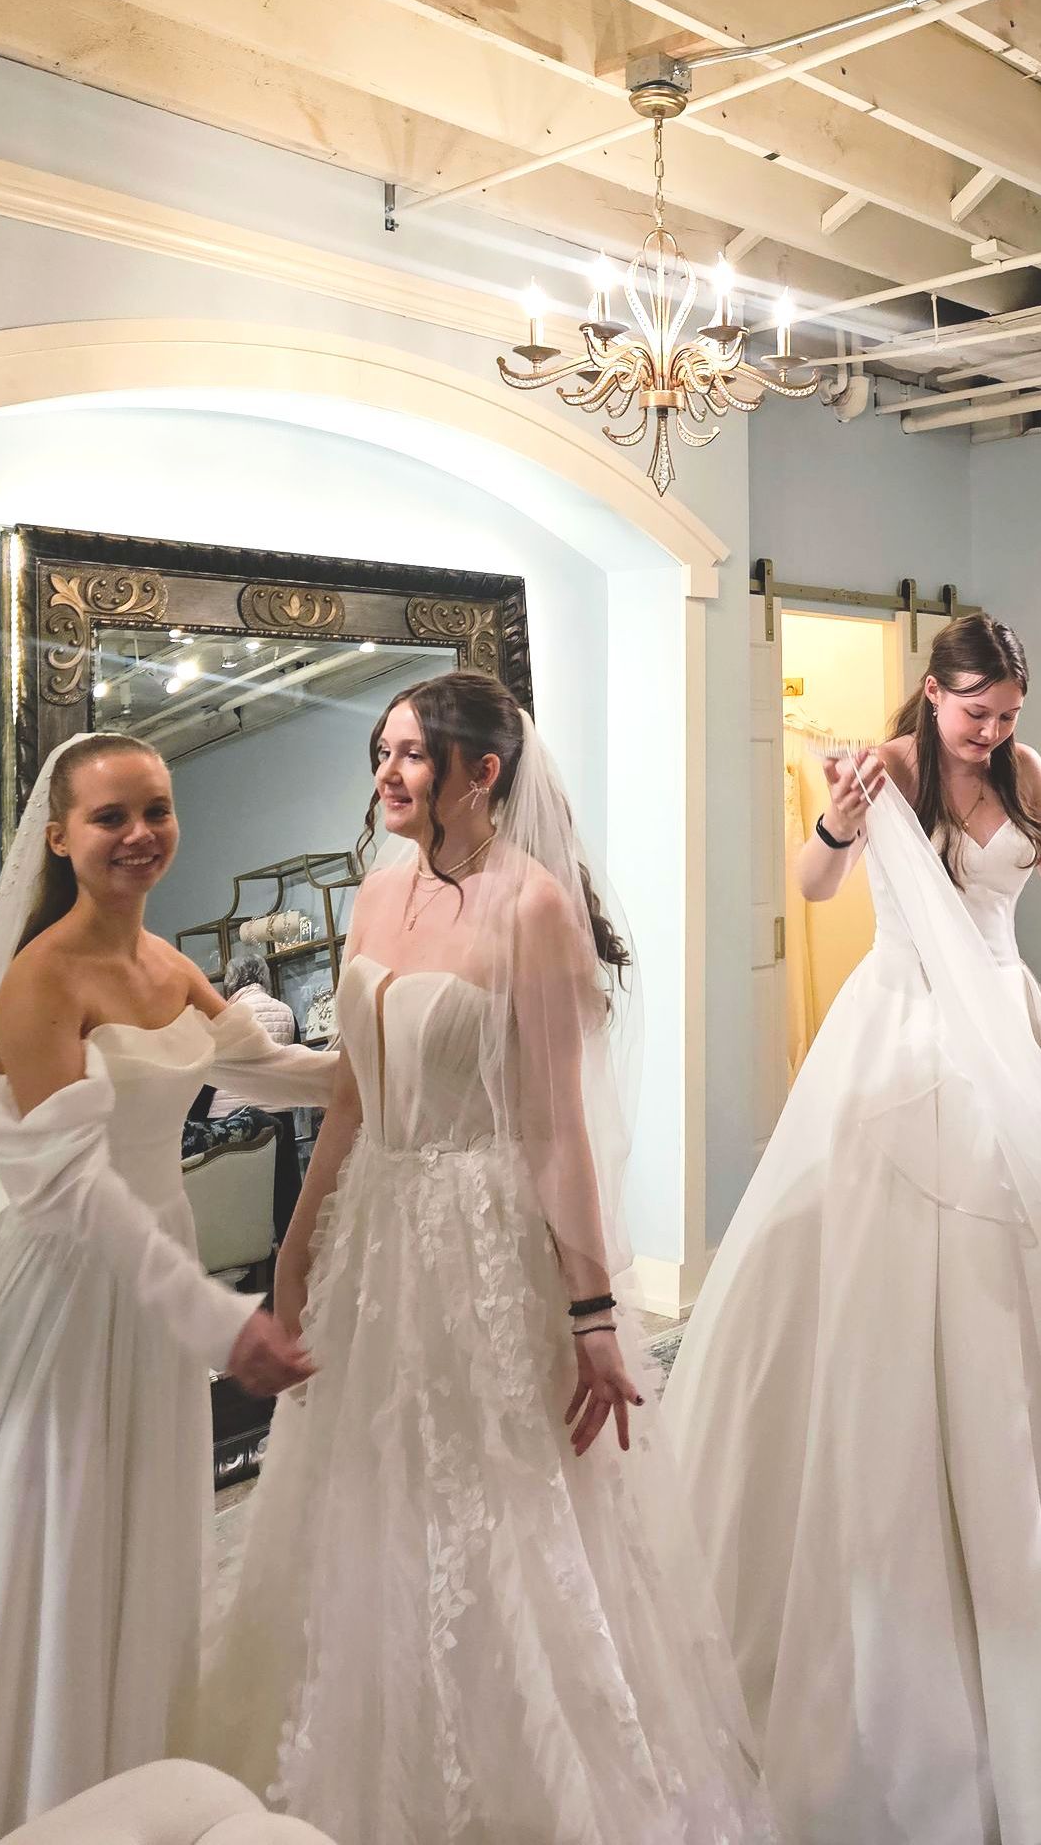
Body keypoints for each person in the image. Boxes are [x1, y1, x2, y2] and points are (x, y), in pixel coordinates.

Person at [201, 675, 771, 1845]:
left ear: (482, 772)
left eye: (411, 755)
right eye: (382, 752)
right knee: (364, 1496)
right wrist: (296, 1250)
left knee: (499, 1509)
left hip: (481, 1239)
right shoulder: (376, 892)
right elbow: (352, 1100)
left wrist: (596, 1313)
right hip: (376, 1234)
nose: (387, 775)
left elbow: (557, 1129)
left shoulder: (533, 909)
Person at [664, 614, 1041, 1845]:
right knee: (891, 1295)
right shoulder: (883, 764)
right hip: (904, 1041)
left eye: (1009, 711)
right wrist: (839, 818)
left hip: (1008, 1026)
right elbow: (813, 882)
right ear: (933, 694)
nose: (995, 730)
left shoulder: (1025, 773)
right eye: (977, 711)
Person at [0, 732, 332, 1845]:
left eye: (156, 810)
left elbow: (254, 1067)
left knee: (142, 1535)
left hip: (150, 1276)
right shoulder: (39, 980)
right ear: (58, 836)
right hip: (64, 1293)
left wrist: (396, 1065)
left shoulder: (168, 966)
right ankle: (26, 1799)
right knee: (55, 1542)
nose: (140, 834)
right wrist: (219, 1317)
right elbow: (74, 1190)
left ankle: (128, 1775)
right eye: (111, 817)